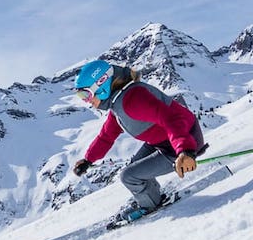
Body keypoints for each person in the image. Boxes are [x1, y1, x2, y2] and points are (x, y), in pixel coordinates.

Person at [71, 59, 206, 221]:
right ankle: (152, 195)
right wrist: (88, 160)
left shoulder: (133, 100)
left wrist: (185, 150)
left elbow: (171, 118)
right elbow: (106, 136)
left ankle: (151, 205)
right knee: (133, 167)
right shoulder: (118, 104)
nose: (86, 100)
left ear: (101, 84)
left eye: (85, 94)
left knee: (129, 176)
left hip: (183, 141)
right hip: (165, 143)